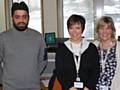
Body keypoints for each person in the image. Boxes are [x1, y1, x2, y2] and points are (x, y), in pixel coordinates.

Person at [0, 2, 47, 90]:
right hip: (10, 87)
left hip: (33, 87)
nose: (21, 20)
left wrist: (34, 75)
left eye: (24, 17)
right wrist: (2, 80)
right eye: (17, 17)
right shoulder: (3, 38)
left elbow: (43, 60)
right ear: (12, 18)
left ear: (28, 18)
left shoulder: (38, 37)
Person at [54, 14, 100, 90]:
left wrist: (88, 87)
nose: (74, 31)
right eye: (71, 28)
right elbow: (60, 72)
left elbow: (96, 71)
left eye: (78, 28)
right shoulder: (62, 49)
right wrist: (70, 87)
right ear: (68, 29)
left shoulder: (91, 48)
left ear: (83, 29)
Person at [94, 16, 120, 90]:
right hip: (95, 87)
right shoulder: (93, 46)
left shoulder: (119, 47)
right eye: (101, 28)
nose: (104, 31)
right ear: (98, 30)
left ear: (112, 30)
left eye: (108, 28)